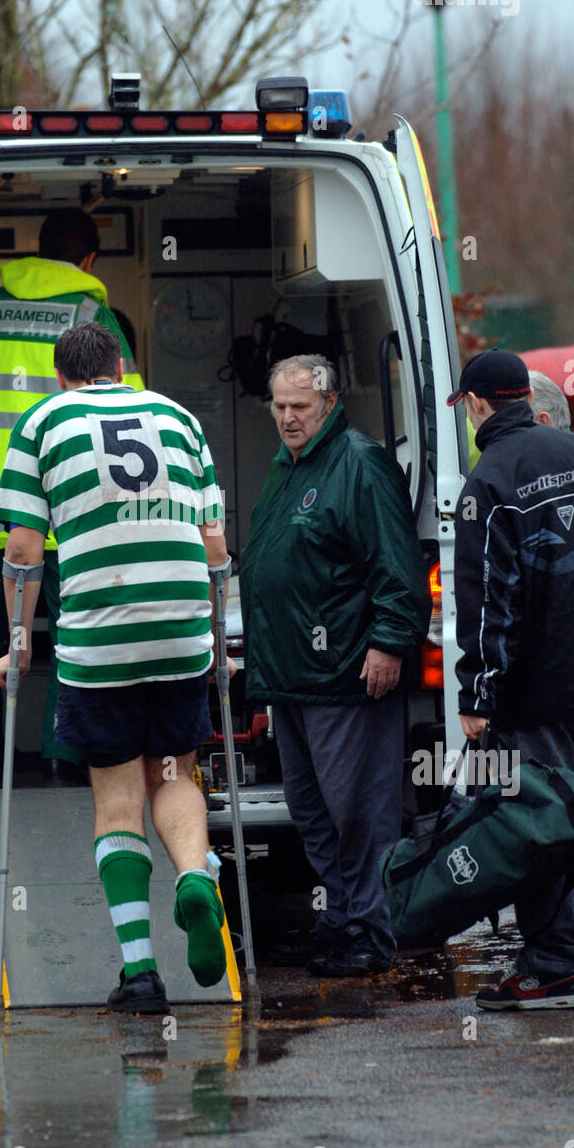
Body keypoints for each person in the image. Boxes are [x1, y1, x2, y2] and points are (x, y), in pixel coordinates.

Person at [0, 321, 230, 1013]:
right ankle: (193, 879)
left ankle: (141, 975)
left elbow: (25, 546)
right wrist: (215, 636)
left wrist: (19, 641)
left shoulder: (43, 422)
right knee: (175, 772)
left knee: (117, 799)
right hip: (181, 632)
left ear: (60, 375)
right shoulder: (175, 416)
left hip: (102, 640)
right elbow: (214, 539)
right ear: (123, 366)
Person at [240, 355, 430, 977]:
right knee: (313, 809)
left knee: (360, 809)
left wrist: (389, 642)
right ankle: (337, 918)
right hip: (292, 676)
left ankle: (372, 931)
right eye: (279, 407)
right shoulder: (288, 466)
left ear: (328, 403)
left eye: (300, 407)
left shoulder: (359, 461)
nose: (288, 418)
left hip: (347, 671)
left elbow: (396, 567)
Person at [0, 209, 143, 784]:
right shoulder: (92, 314)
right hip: (78, 520)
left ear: (37, 250)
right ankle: (64, 757)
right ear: (90, 260)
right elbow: (128, 415)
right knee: (77, 640)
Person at [448, 347, 574, 1010]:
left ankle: (552, 968)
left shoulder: (488, 482)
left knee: (540, 828)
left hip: (534, 696)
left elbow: (489, 605)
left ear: (478, 405)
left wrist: (477, 694)